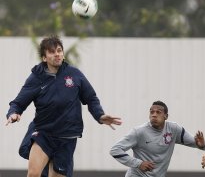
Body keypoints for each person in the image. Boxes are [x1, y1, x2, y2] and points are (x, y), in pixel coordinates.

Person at [5, 35, 122, 177]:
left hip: (67, 137)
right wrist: (13, 112)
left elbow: (91, 98)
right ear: (44, 57)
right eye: (52, 52)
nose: (57, 54)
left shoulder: (75, 74)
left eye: (59, 50)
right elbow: (19, 102)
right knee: (33, 174)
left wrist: (100, 115)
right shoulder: (36, 78)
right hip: (43, 133)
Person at [110, 100, 205, 177]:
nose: (154, 115)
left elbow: (195, 143)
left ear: (166, 116)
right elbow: (115, 150)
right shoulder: (139, 132)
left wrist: (201, 145)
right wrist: (138, 163)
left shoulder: (174, 129)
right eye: (151, 112)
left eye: (158, 112)